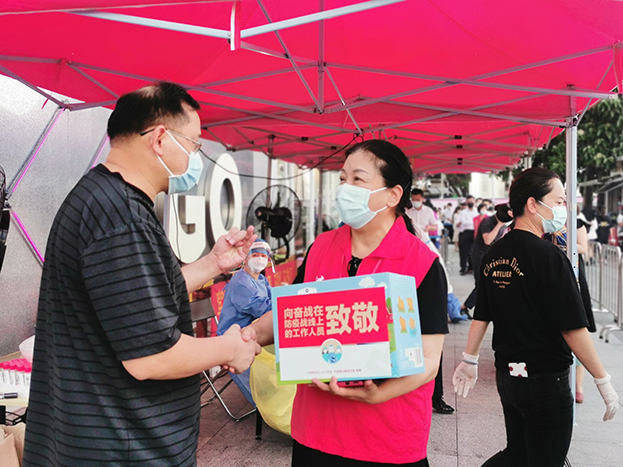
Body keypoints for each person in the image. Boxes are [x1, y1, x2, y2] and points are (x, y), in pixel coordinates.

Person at [22, 82, 262, 467]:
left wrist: (212, 264)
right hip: (122, 445)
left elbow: (136, 302)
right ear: (161, 139)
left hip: (101, 439)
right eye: (194, 145)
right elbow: (152, 357)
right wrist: (230, 348)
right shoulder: (120, 218)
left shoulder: (103, 198)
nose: (196, 158)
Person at [240, 140, 449, 466]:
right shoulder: (321, 247)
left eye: (357, 179)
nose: (344, 188)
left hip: (387, 439)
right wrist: (248, 335)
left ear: (393, 195)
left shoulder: (422, 264)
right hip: (316, 431)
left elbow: (429, 361)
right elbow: (287, 316)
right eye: (342, 178)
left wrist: (377, 394)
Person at [453, 167, 619, 467]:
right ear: (532, 204)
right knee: (545, 460)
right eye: (559, 201)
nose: (563, 208)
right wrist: (602, 379)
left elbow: (482, 314)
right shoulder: (549, 256)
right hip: (545, 380)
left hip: (508, 377)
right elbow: (572, 327)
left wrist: (470, 358)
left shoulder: (494, 254)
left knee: (517, 454)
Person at [542, 213, 597, 404]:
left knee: (576, 330)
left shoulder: (576, 223)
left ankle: (578, 386)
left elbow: (583, 248)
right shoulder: (543, 220)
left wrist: (559, 247)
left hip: (572, 278)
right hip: (548, 279)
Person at [217, 239, 274, 406]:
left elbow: (272, 301)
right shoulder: (241, 281)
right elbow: (261, 308)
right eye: (255, 255)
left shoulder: (261, 280)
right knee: (262, 396)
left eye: (263, 256)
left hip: (253, 336)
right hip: (235, 339)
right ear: (246, 257)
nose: (259, 259)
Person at [460, 203, 511, 318]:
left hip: (489, 256)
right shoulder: (487, 222)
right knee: (481, 284)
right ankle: (465, 307)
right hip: (479, 255)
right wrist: (499, 224)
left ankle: (470, 307)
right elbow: (487, 240)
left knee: (487, 284)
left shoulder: (503, 226)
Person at [456, 195, 479, 274]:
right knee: (463, 251)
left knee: (473, 251)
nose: (470, 203)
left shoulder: (477, 212)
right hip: (465, 233)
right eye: (468, 202)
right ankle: (463, 268)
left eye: (471, 201)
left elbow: (476, 222)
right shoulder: (463, 212)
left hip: (475, 232)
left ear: (474, 202)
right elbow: (462, 222)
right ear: (466, 202)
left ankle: (471, 268)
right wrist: (473, 222)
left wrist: (469, 223)